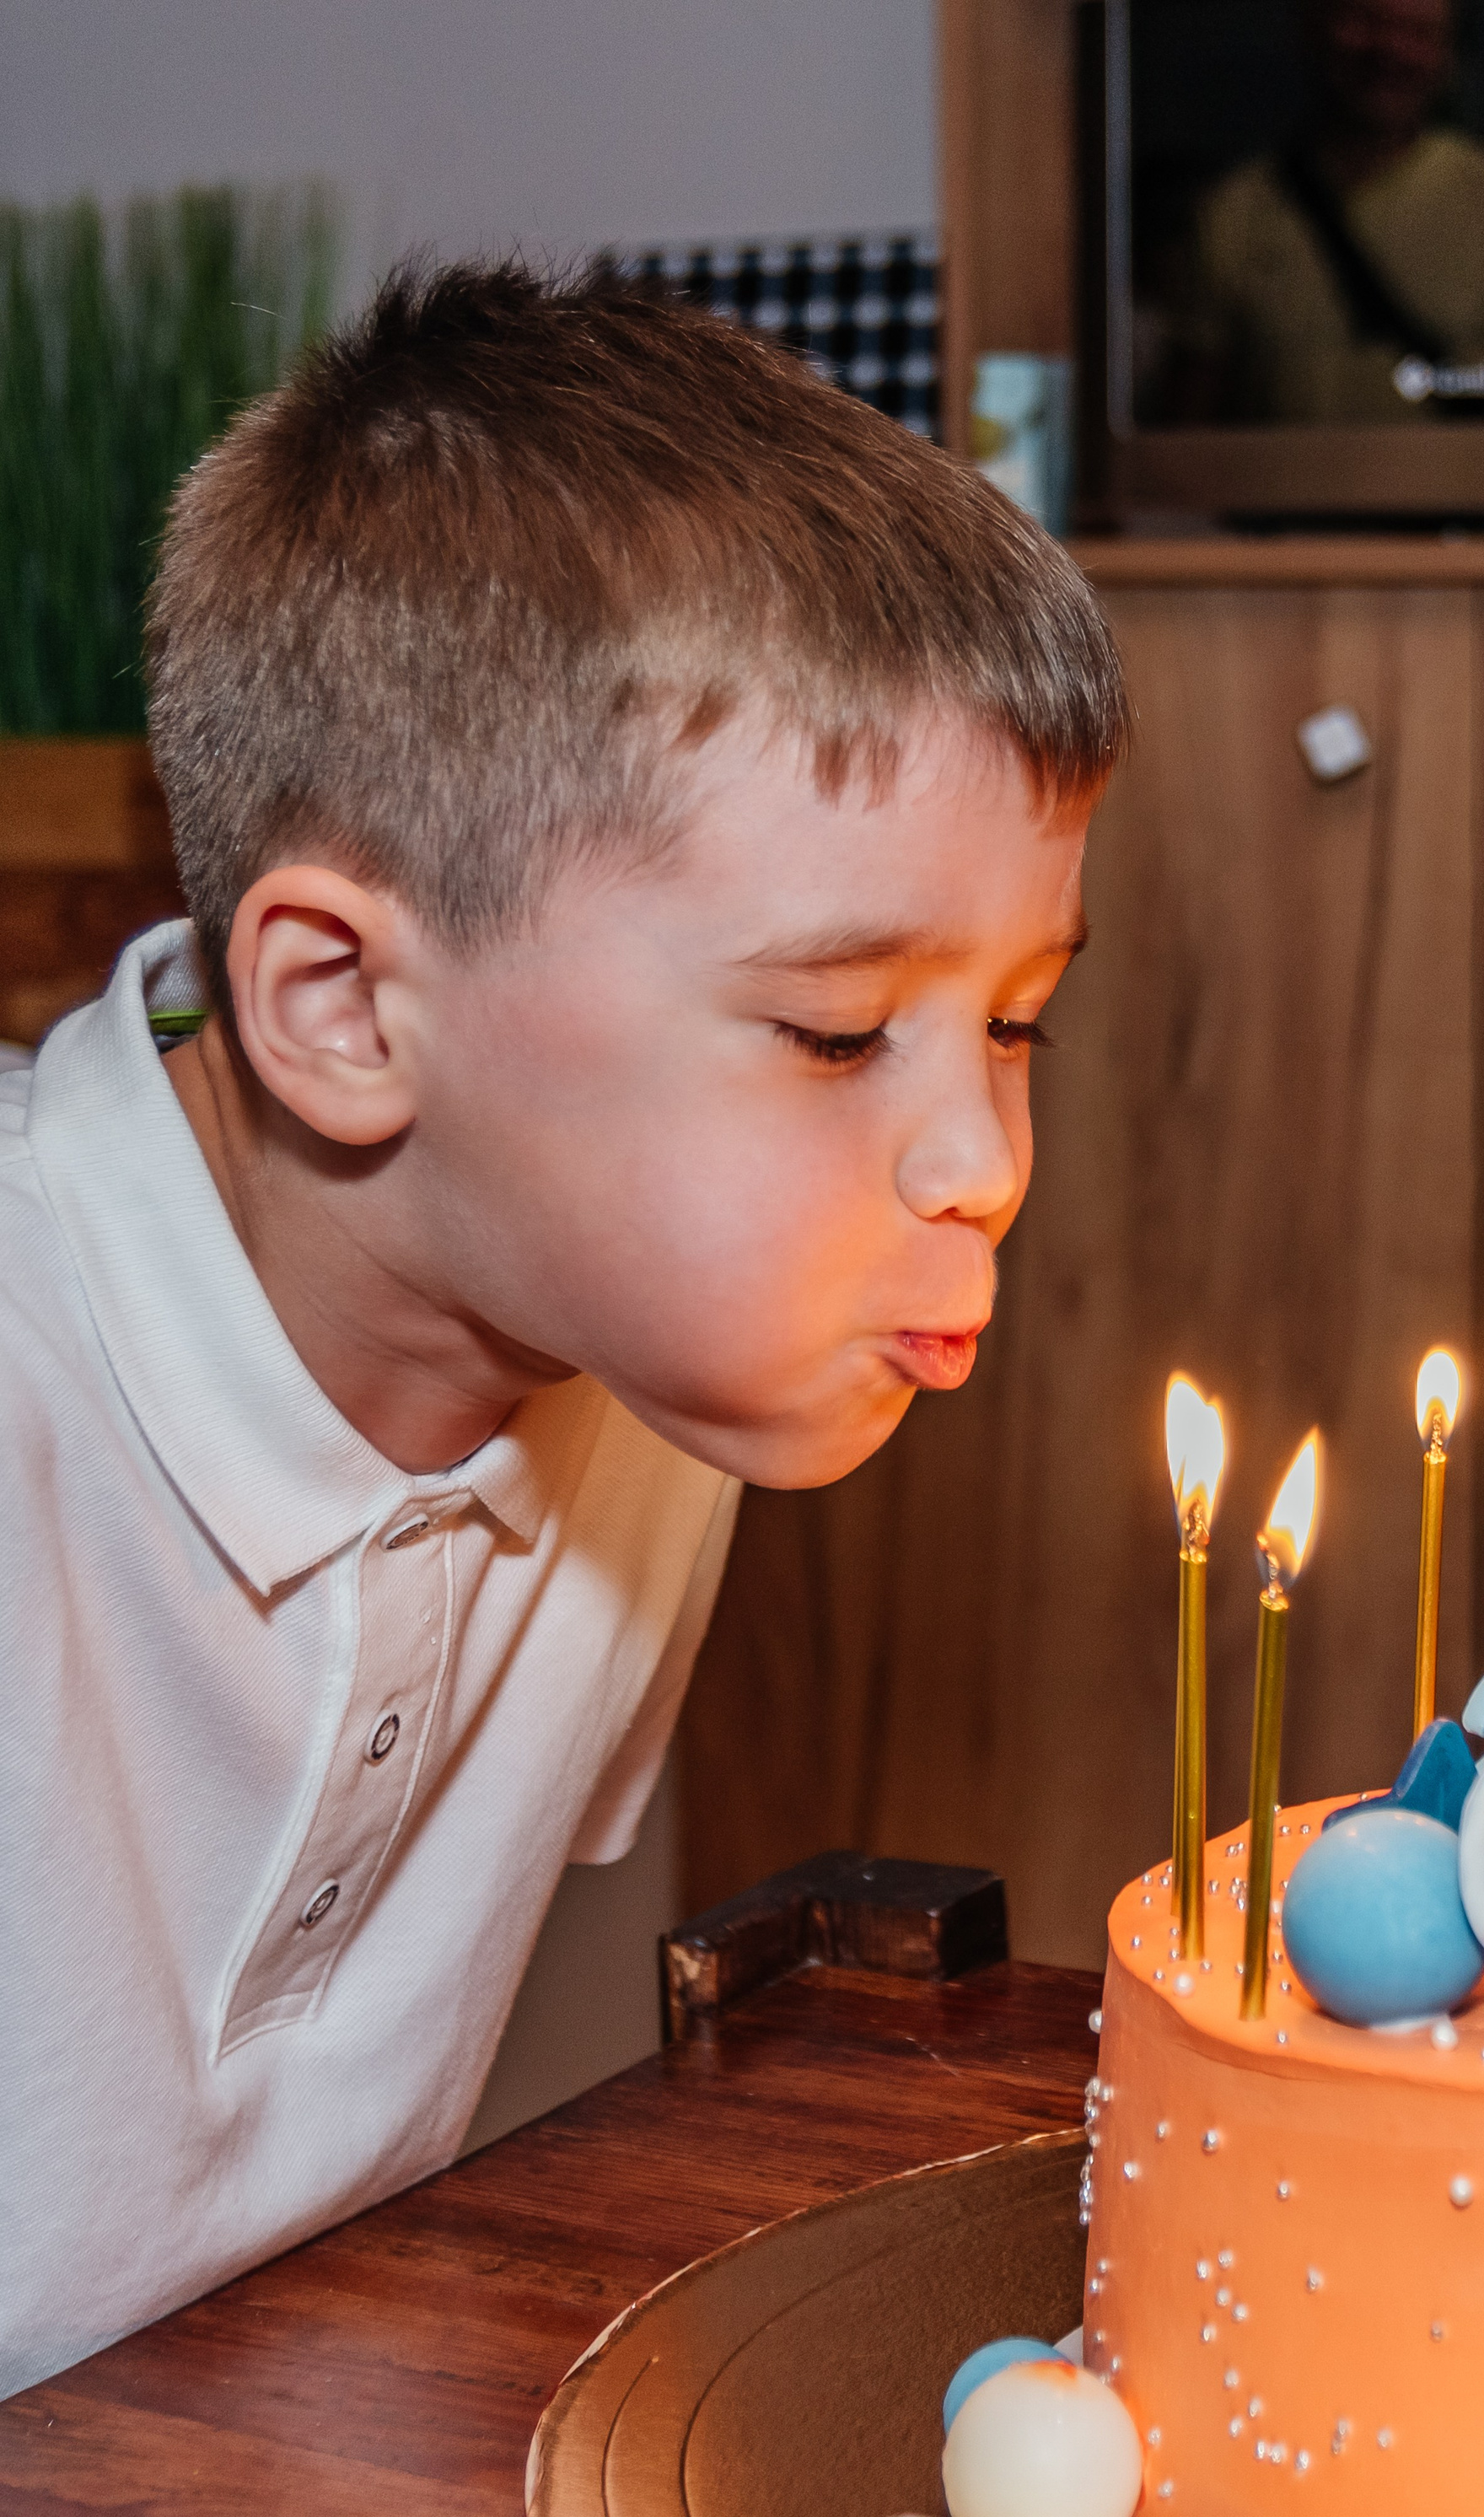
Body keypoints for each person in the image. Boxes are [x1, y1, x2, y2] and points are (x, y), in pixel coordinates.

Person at [0, 261, 1128, 2396]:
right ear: (339, 1006)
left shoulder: (651, 1388)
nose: (979, 1155)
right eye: (830, 1030)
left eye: (1014, 1021)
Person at [1169, 0, 1484, 423]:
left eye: (1418, 32)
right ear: (1311, 28)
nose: (1391, 50)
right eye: (1366, 22)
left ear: (1449, 56)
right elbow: (1191, 432)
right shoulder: (1234, 212)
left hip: (1466, 504)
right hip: (1281, 505)